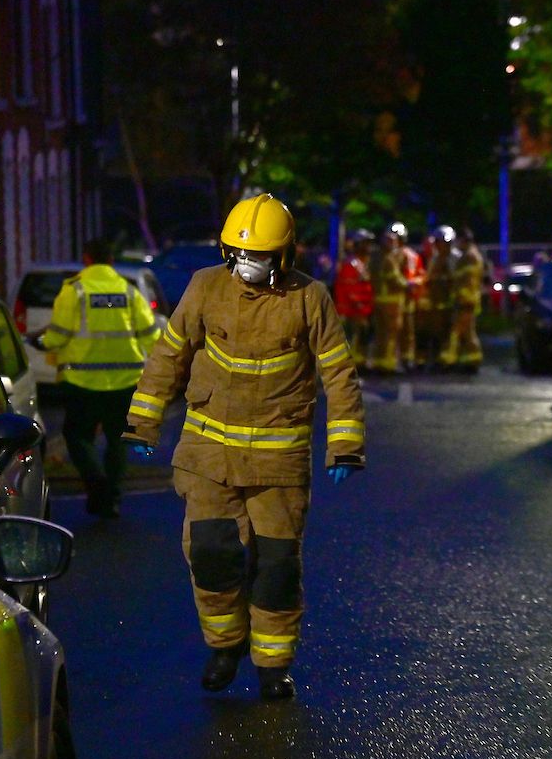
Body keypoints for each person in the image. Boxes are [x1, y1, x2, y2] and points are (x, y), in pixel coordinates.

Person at [122, 193, 365, 700]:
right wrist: (142, 423)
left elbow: (339, 372)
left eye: (259, 255)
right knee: (211, 555)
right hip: (209, 457)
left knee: (277, 567)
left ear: (285, 256)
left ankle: (274, 665)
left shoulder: (308, 298)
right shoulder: (205, 287)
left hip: (279, 464)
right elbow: (169, 355)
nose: (248, 264)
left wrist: (345, 444)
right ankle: (225, 645)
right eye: (240, 253)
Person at [34, 239, 159, 518]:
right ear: (111, 261)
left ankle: (96, 482)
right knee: (118, 440)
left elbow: (58, 335)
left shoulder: (74, 291)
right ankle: (112, 498)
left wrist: (42, 341)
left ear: (87, 259)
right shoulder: (129, 292)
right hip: (125, 380)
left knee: (78, 436)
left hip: (82, 382)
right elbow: (151, 336)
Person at [438, 227, 484, 372]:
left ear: (464, 241)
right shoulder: (472, 255)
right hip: (468, 299)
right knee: (467, 332)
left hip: (465, 300)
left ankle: (448, 360)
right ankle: (472, 359)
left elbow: (467, 280)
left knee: (457, 331)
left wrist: (460, 297)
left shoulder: (469, 257)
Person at [368, 222, 409, 374]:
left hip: (378, 301)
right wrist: (409, 285)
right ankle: (389, 364)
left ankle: (379, 362)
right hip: (391, 302)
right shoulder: (389, 260)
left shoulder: (375, 258)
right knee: (391, 334)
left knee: (380, 334)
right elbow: (396, 281)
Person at [334, 229, 375, 365]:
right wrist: (358, 304)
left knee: (360, 337)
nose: (368, 247)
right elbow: (349, 289)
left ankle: (359, 363)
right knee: (352, 337)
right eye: (365, 243)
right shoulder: (351, 264)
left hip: (362, 309)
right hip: (351, 311)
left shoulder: (362, 264)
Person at [420, 225, 456, 368]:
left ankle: (449, 359)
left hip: (451, 302)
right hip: (436, 302)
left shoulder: (455, 257)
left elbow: (455, 279)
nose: (442, 246)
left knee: (450, 332)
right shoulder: (435, 258)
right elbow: (429, 278)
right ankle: (437, 358)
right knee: (435, 332)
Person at [400, 233, 426, 370]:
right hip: (398, 299)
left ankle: (406, 358)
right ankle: (404, 358)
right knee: (402, 331)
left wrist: (412, 283)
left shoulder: (412, 256)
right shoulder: (391, 257)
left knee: (407, 331)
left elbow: (421, 275)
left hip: (406, 299)